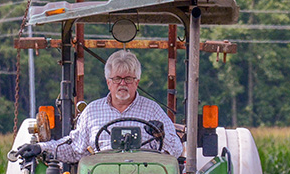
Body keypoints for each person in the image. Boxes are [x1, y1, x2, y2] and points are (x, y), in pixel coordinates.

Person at [17, 50, 183, 163]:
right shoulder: (92, 111)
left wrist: (161, 135)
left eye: (128, 79)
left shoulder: (152, 110)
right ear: (108, 82)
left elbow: (176, 150)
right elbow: (75, 148)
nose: (122, 84)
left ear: (137, 82)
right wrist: (41, 147)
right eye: (117, 78)